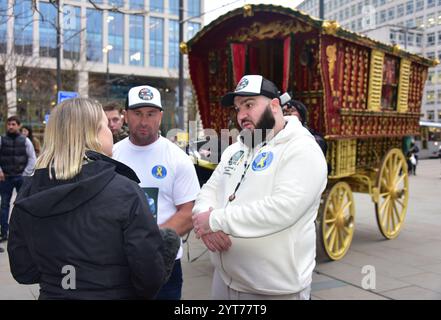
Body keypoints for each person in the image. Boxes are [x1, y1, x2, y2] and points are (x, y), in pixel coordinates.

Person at [7, 98, 175, 299]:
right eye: (105, 124)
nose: (111, 131)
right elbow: (149, 276)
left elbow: (23, 269)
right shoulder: (125, 190)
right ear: (93, 133)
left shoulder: (28, 191)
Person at [192, 75, 328, 300]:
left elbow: (283, 209)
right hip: (223, 281)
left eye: (249, 105)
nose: (241, 115)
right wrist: (204, 223)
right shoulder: (236, 149)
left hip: (273, 290)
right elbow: (209, 190)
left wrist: (215, 220)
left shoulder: (302, 149)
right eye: (237, 108)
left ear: (274, 106)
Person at [113, 85, 200, 300]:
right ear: (126, 116)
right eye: (137, 113)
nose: (144, 121)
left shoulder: (177, 158)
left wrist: (149, 240)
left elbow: (189, 211)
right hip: (118, 264)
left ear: (160, 116)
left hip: (164, 266)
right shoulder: (111, 155)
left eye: (151, 114)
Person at [0, 116, 36, 242]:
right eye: (9, 124)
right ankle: (4, 233)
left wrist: (25, 174)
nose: (10, 126)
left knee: (23, 205)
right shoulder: (1, 140)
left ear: (19, 126)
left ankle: (24, 233)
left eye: (13, 124)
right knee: (4, 205)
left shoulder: (25, 141)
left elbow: (32, 158)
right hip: (5, 178)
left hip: (20, 178)